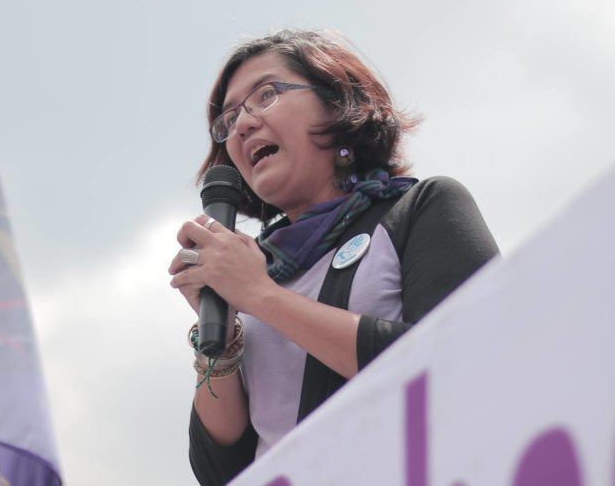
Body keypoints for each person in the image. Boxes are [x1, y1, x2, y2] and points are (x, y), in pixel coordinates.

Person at [168, 30, 499, 485]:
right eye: (227, 120)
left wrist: (261, 296)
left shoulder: (421, 208)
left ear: (336, 100)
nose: (242, 125)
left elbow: (467, 359)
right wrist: (222, 344)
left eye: (266, 94)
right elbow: (220, 471)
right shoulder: (251, 269)